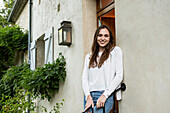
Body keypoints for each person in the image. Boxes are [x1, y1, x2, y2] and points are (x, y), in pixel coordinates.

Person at [82, 25, 123, 113]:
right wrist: (87, 96)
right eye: (100, 35)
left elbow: (119, 76)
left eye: (106, 36)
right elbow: (85, 78)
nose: (102, 38)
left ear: (110, 38)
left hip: (105, 95)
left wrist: (105, 95)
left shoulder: (115, 52)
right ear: (96, 37)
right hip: (90, 97)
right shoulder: (89, 57)